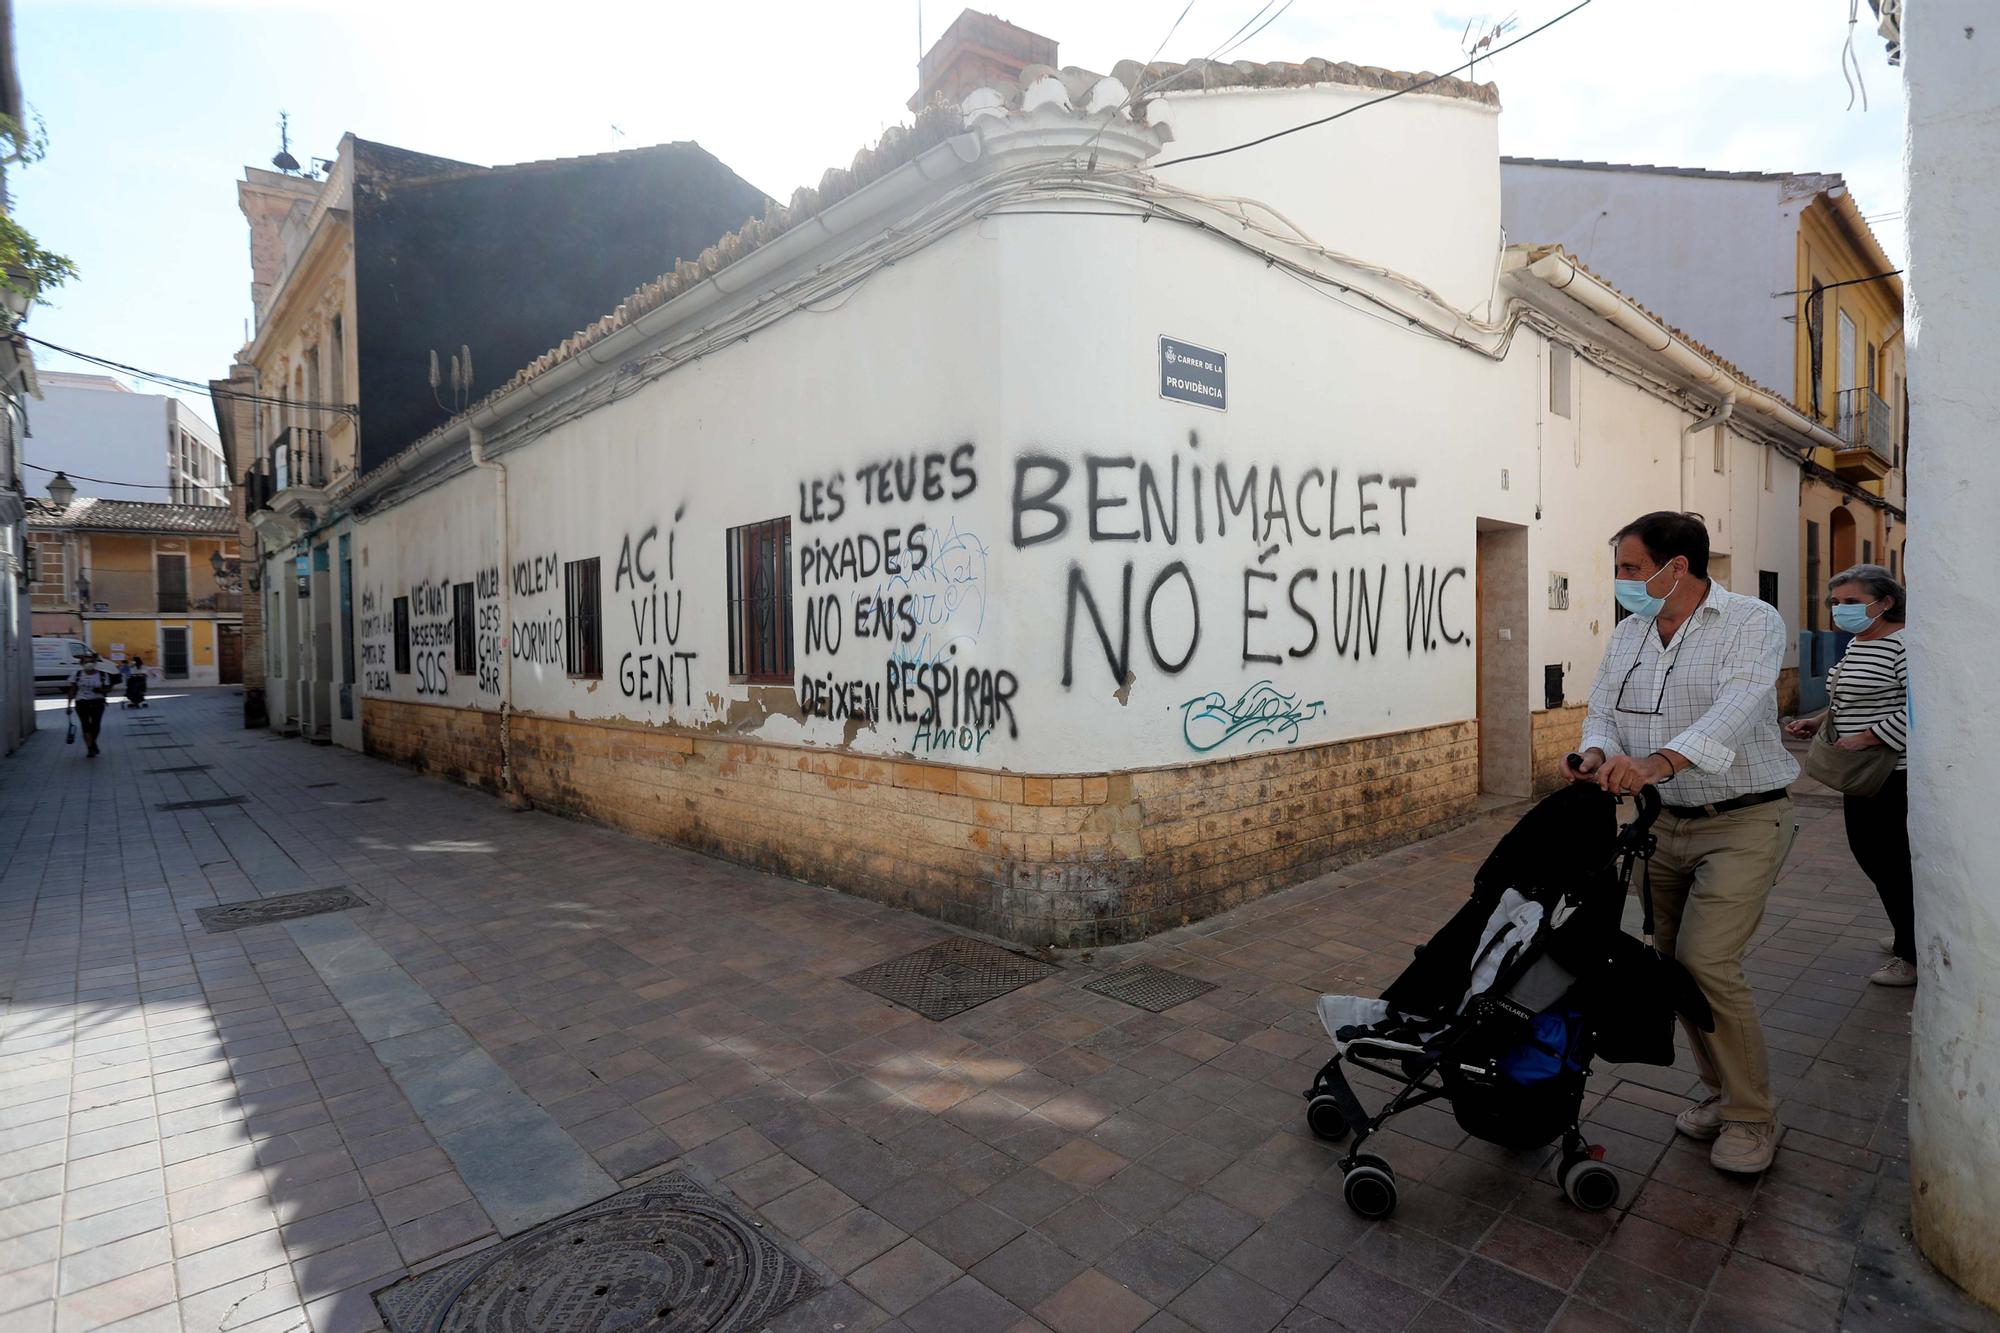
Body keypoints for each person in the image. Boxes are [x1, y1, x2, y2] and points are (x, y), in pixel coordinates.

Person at [1563, 512, 1797, 1175]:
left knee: (1706, 959)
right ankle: (1723, 1092)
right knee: (1672, 965)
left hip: (1743, 818)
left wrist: (1659, 761)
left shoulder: (1750, 622)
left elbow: (1739, 706)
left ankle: (1755, 1116)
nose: (1622, 583)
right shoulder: (1632, 631)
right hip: (1661, 823)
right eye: (1620, 570)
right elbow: (1602, 708)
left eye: (1632, 569)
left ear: (1679, 567)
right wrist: (1594, 752)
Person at [1785, 565, 1912, 986]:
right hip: (1860, 772)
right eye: (1836, 603)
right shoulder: (1860, 643)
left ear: (1886, 601)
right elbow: (1846, 697)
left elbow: (1920, 706)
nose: (1841, 610)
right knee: (1873, 856)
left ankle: (1909, 955)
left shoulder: (1903, 645)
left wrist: (1872, 736)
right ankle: (1907, 930)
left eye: (1852, 602)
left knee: (1888, 860)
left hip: (1890, 774)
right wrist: (1816, 719)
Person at [67, 651, 117, 758]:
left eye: (91, 661)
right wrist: (68, 705)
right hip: (81, 703)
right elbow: (72, 690)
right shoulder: (77, 675)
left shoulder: (103, 675)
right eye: (86, 662)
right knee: (86, 725)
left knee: (95, 725)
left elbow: (108, 689)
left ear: (95, 663)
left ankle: (93, 743)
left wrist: (101, 690)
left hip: (97, 702)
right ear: (81, 663)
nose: (88, 663)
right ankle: (90, 748)